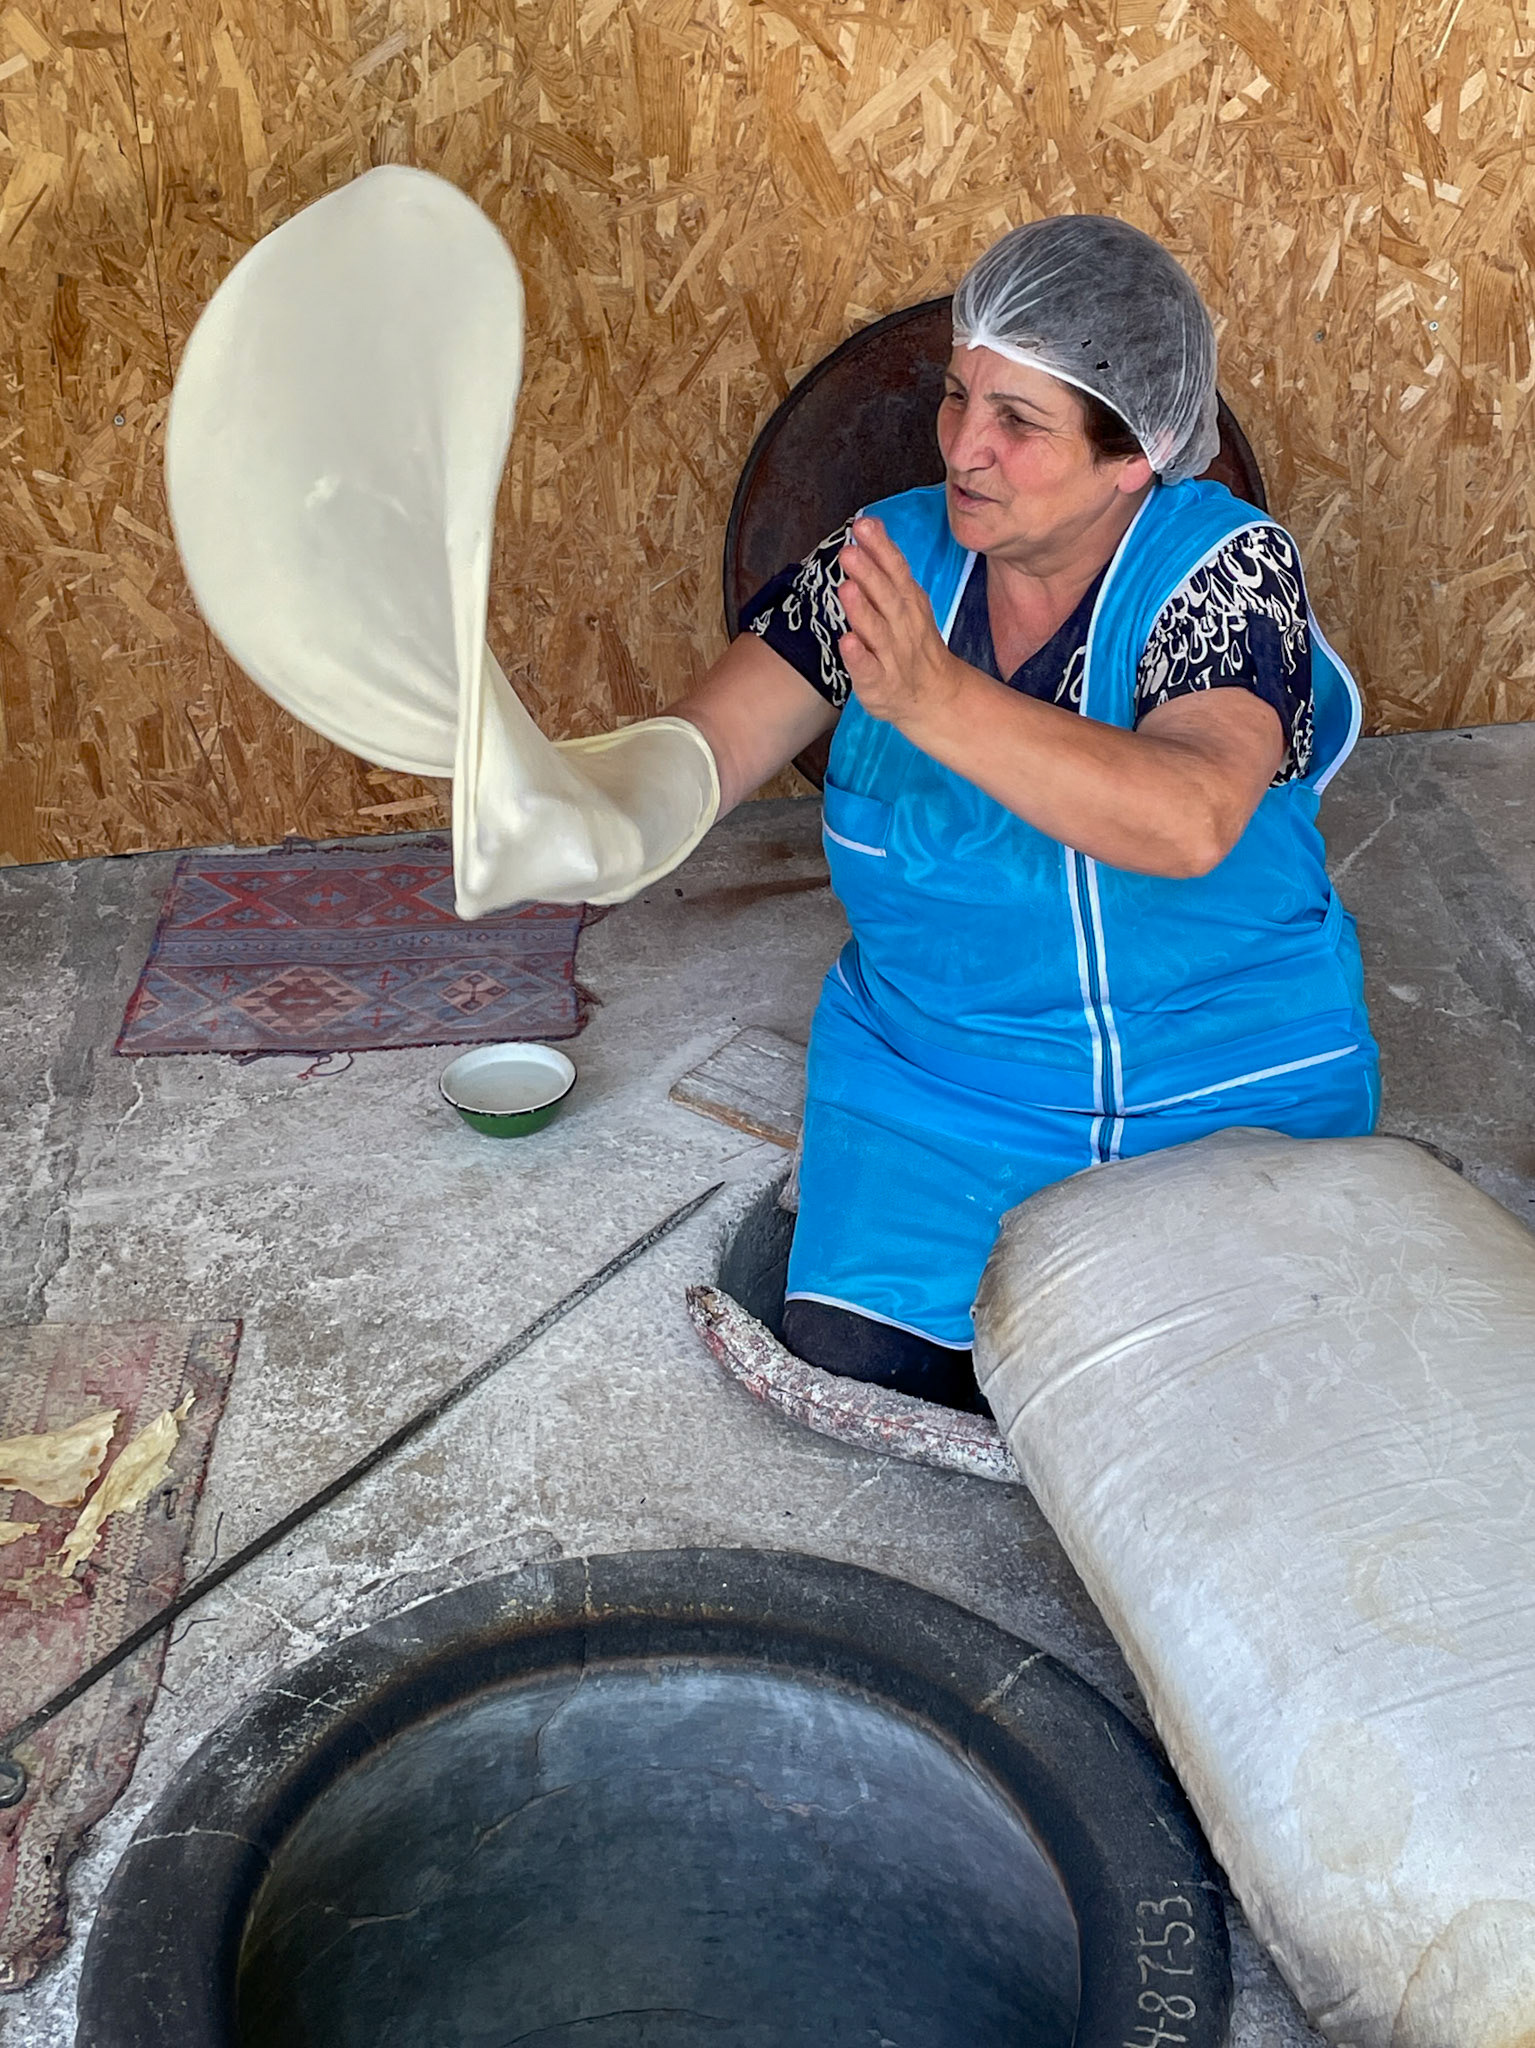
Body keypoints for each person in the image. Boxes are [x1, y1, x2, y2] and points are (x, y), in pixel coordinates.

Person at [669, 214, 1379, 1413]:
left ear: (1132, 456)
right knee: (873, 1374)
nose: (961, 449)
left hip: (1222, 1090)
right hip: (938, 1095)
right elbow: (706, 749)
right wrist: (580, 802)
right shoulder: (883, 560)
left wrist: (937, 700)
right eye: (957, 399)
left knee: (1227, 1407)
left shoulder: (1223, 570)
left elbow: (1191, 815)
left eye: (1017, 422)